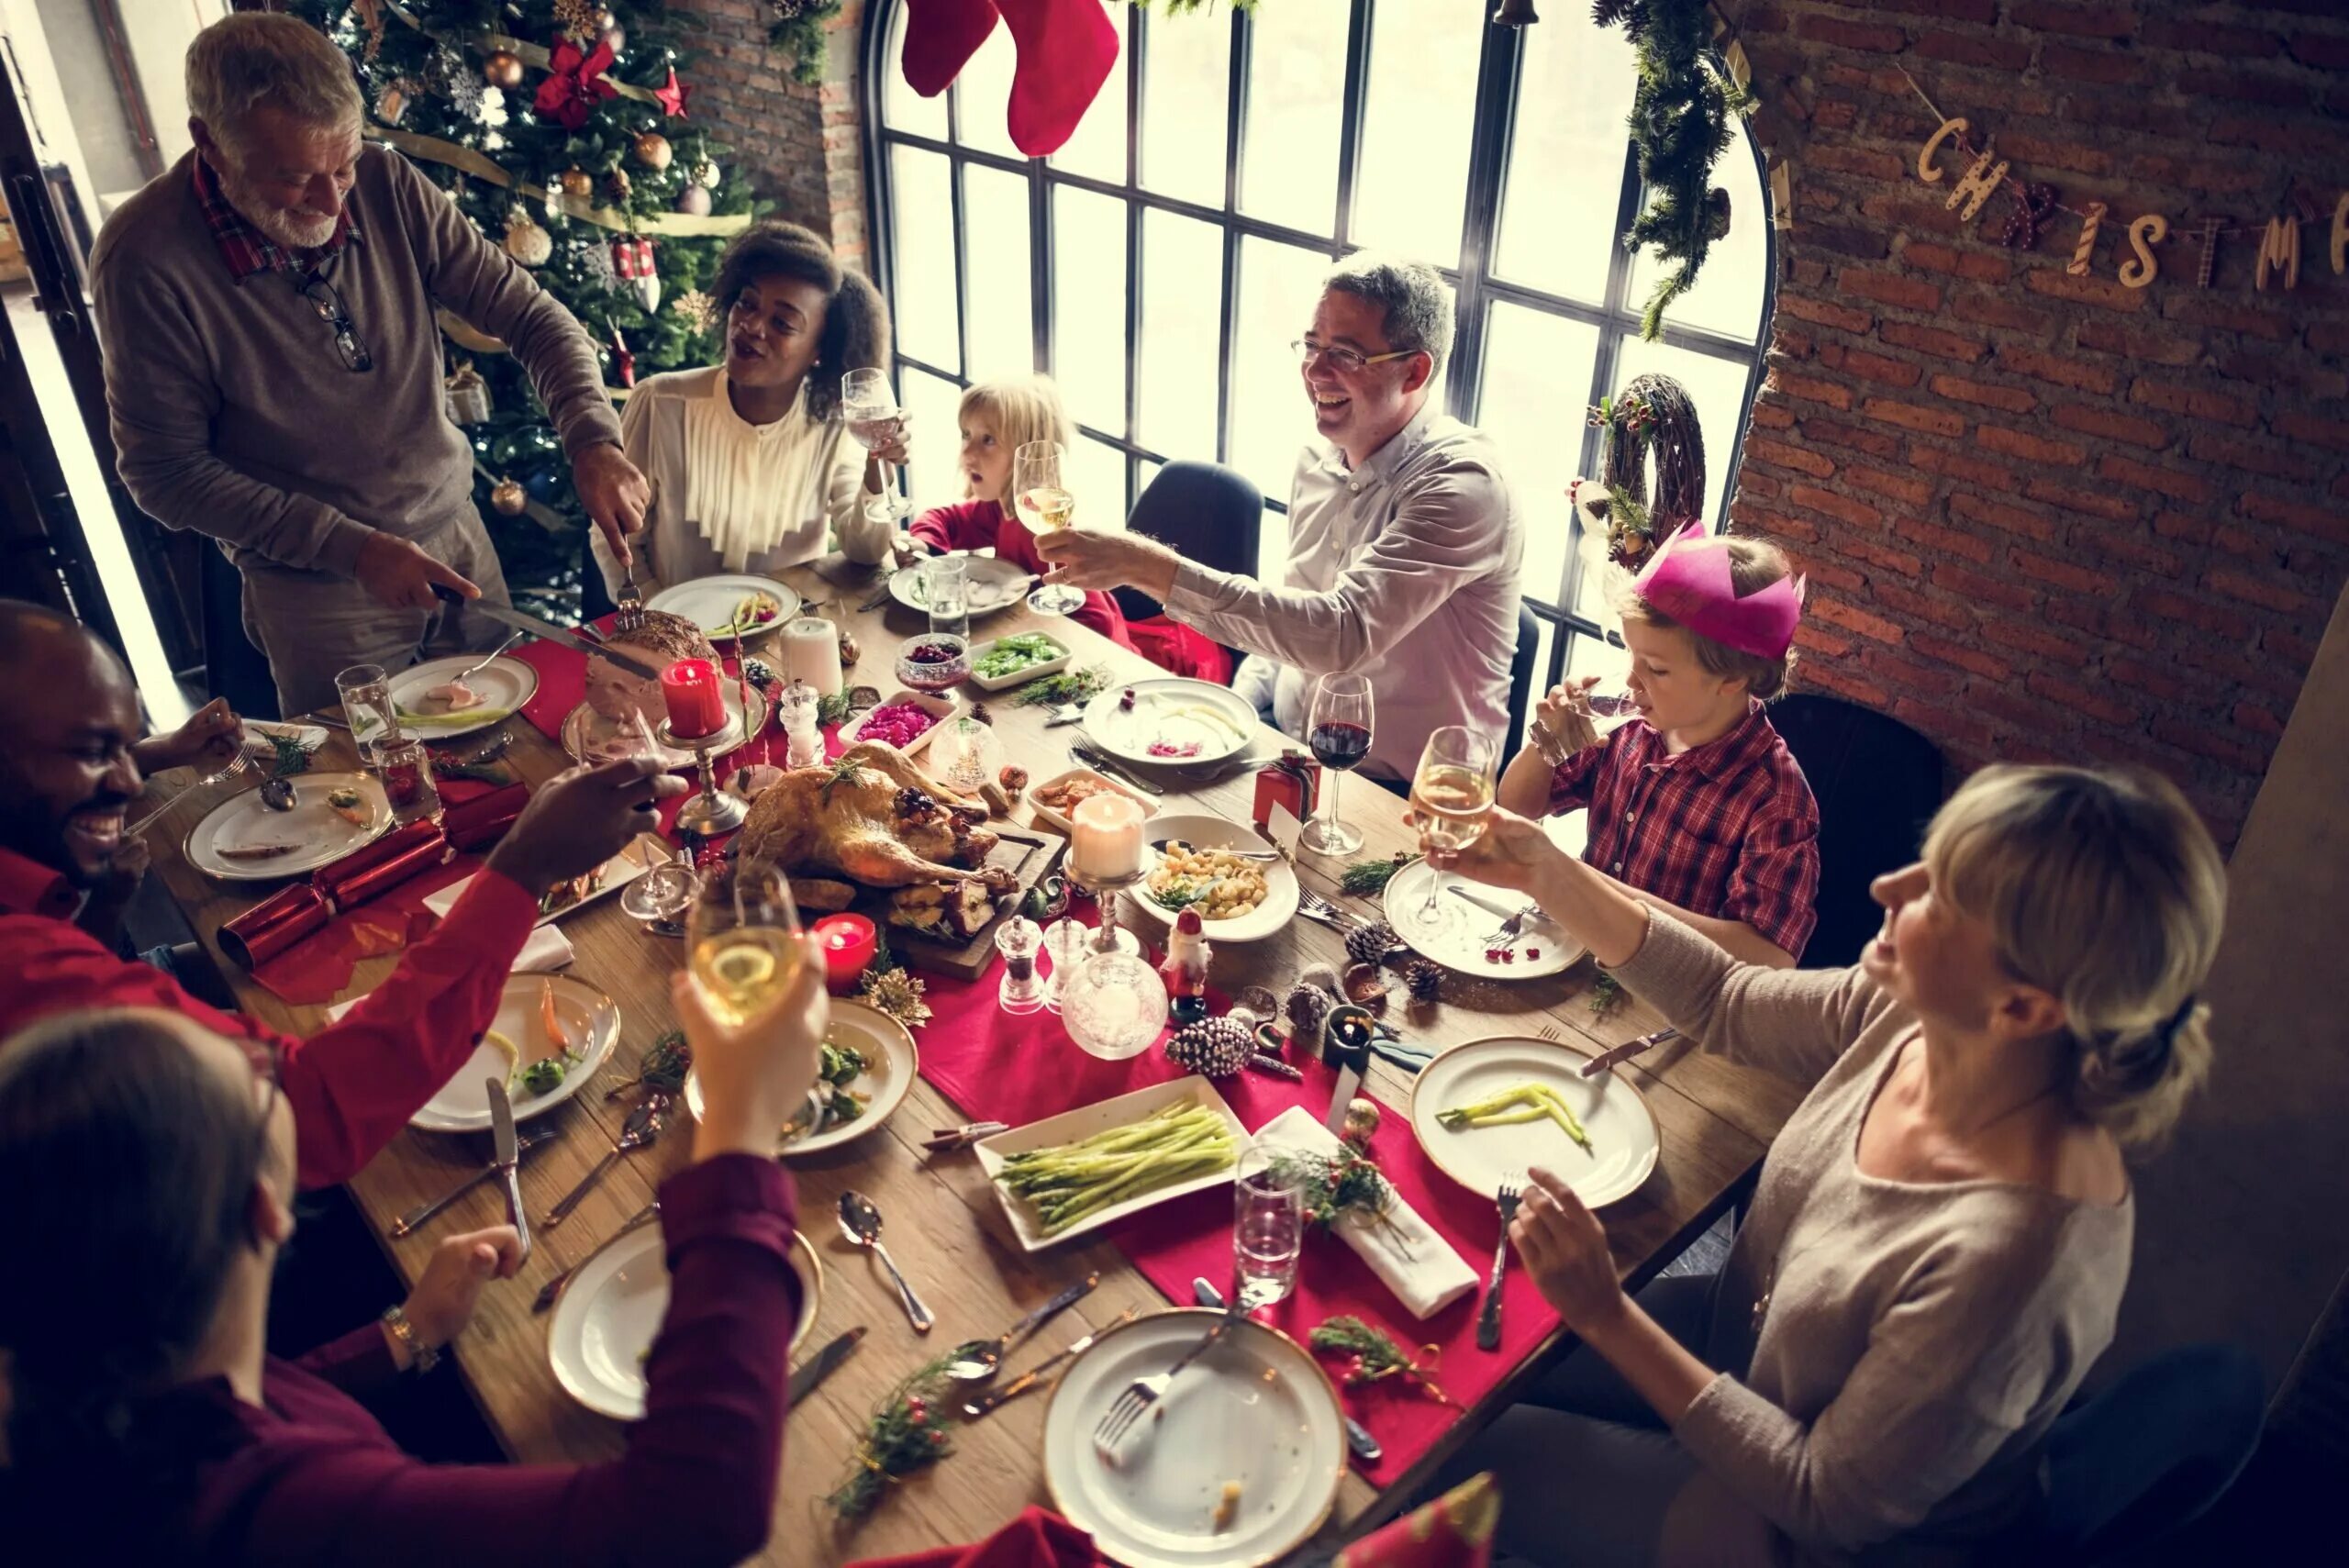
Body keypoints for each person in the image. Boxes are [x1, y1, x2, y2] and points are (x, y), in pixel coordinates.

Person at [1426, 764, 2225, 1566]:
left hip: (1799, 1531)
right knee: (1461, 1369)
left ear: (2023, 1007)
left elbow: (1822, 1497)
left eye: (1940, 894)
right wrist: (1548, 871)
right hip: (1742, 1342)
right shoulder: (1916, 1011)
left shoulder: (2016, 1258)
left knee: (1448, 1459)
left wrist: (1607, 1314)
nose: (1888, 886)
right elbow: (1725, 999)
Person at [0, 947, 826, 1563]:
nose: (268, 1058)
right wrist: (739, 1143)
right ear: (263, 1208)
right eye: (258, 1078)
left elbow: (277, 1398)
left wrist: (402, 1335)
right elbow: (697, 1507)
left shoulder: (103, 1395)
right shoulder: (271, 1512)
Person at [0, 601, 685, 1189]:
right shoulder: (21, 968)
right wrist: (520, 870)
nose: (126, 781)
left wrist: (108, 903)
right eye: (93, 751)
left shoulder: (41, 920)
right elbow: (311, 1115)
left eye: (130, 749)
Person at [89, 14, 649, 717]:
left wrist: (592, 438)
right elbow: (163, 472)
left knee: (517, 746)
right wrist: (349, 548)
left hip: (457, 533)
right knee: (378, 792)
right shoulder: (143, 258)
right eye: (294, 179)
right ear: (211, 143)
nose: (332, 202)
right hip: (315, 589)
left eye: (344, 166)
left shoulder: (385, 183)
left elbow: (534, 318)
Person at [1033, 253, 1521, 782]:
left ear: (1415, 370)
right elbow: (1295, 618)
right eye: (1312, 345)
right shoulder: (1317, 461)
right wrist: (1237, 713)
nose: (1315, 371)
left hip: (1410, 793)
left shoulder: (1464, 486)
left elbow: (1339, 634)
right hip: (1291, 747)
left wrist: (1146, 565)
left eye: (1346, 354)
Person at [1495, 521, 1820, 966]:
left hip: (1669, 1001)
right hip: (1577, 961)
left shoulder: (1775, 799)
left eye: (1656, 669)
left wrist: (1603, 896)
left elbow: (1770, 957)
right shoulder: (1627, 727)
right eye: (1632, 656)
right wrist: (1546, 745)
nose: (1631, 680)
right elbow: (1516, 807)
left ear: (1733, 679)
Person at [592, 220, 910, 603]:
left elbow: (866, 550)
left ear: (819, 351)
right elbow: (614, 540)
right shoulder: (661, 403)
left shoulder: (833, 423)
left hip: (791, 638)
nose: (751, 325)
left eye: (783, 323)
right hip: (678, 641)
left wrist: (880, 462)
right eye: (747, 302)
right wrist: (660, 625)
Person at [907, 376, 1133, 651]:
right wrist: (924, 544)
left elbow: (1098, 623)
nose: (967, 452)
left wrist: (1022, 637)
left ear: (1027, 453)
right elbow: (948, 519)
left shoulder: (1039, 527)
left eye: (988, 440)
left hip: (1091, 655)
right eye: (966, 434)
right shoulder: (1001, 507)